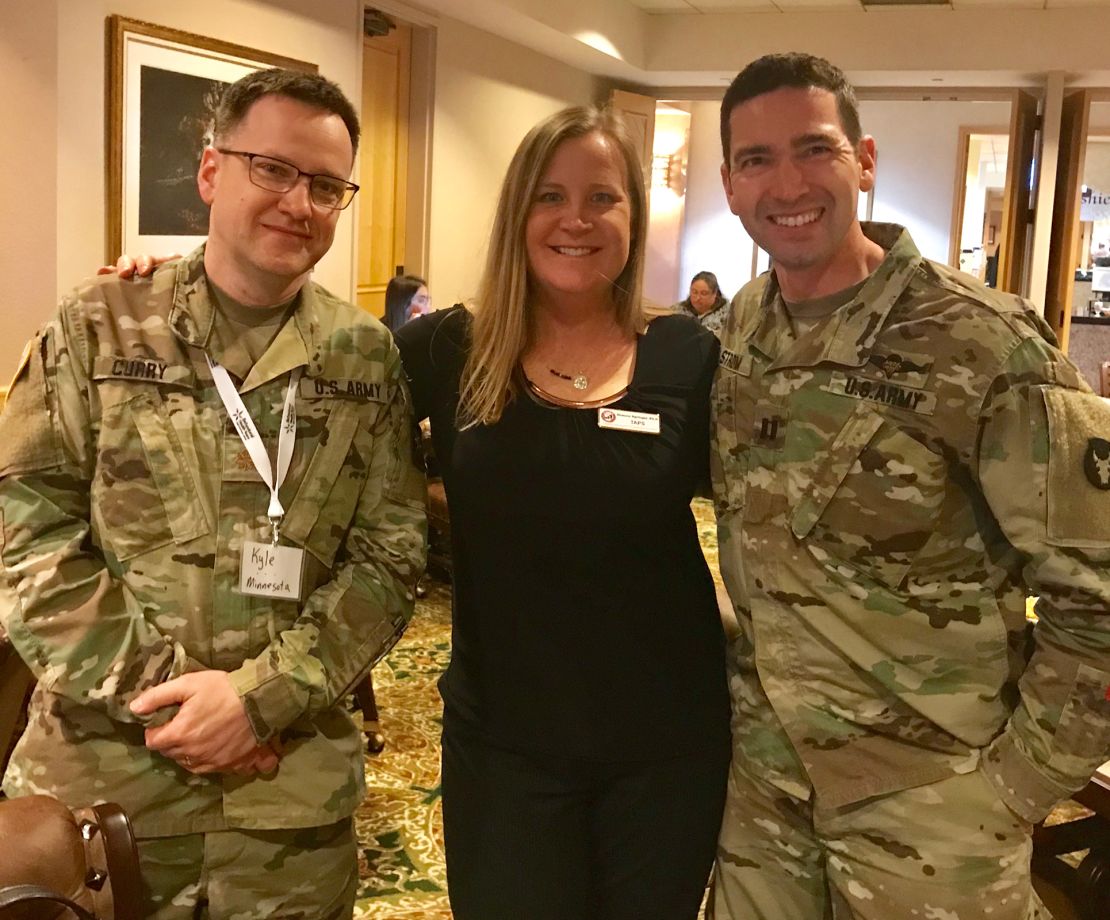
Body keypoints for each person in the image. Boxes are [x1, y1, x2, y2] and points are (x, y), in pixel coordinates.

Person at [0, 68, 426, 919]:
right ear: (210, 173)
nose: (297, 203)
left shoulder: (363, 353)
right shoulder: (99, 323)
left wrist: (258, 701)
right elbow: (26, 535)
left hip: (288, 811)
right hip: (103, 797)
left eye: (325, 186)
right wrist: (176, 701)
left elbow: (391, 558)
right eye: (271, 169)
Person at [710, 51, 1110, 919]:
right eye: (756, 160)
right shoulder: (738, 331)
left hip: (931, 805)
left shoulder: (980, 341)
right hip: (766, 790)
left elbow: (1100, 589)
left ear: (865, 160)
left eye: (814, 149)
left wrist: (1018, 785)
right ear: (730, 186)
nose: (788, 183)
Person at [395, 107, 730, 919]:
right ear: (518, 214)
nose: (575, 219)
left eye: (601, 198)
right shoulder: (446, 350)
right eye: (550, 196)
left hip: (666, 742)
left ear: (632, 216)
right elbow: (307, 373)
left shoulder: (690, 355)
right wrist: (162, 294)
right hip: (507, 739)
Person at [672, 269, 729, 337]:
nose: (697, 298)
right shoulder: (676, 312)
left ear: (715, 294)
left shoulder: (728, 317)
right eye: (694, 292)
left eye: (704, 293)